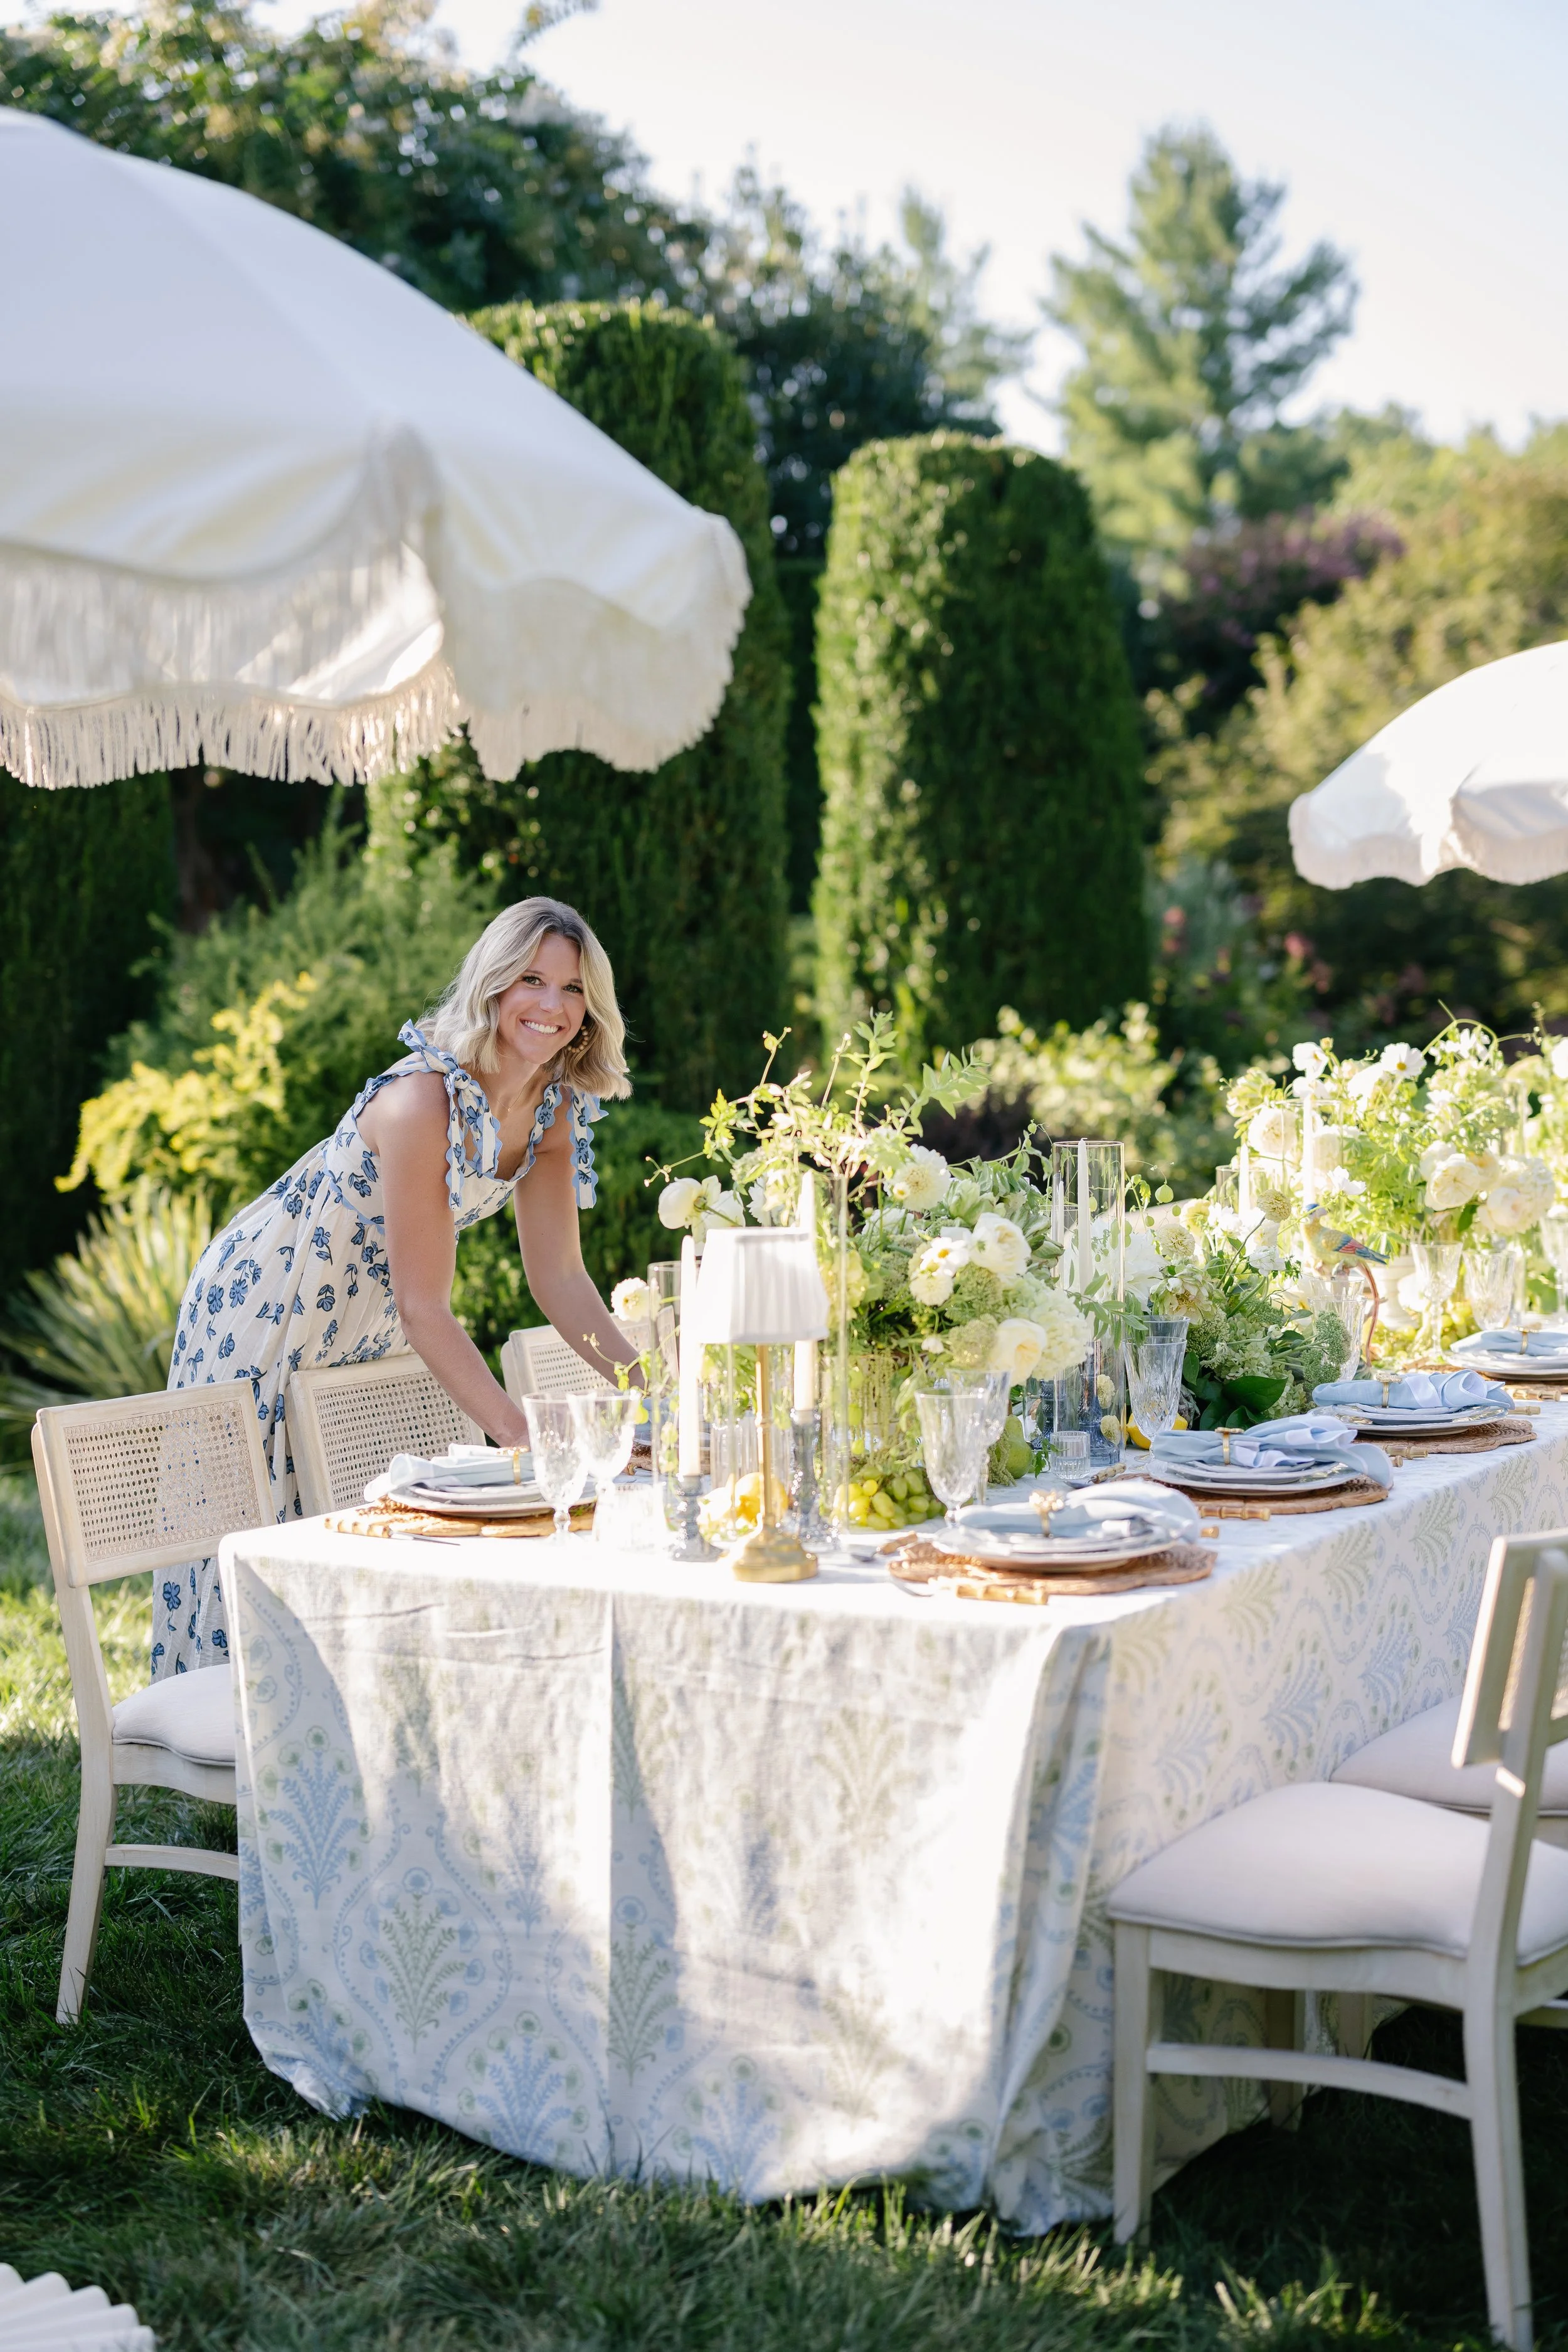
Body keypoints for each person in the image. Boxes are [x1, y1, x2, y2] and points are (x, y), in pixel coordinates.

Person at [154, 896, 637, 1678]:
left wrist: (650, 1390)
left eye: (573, 989)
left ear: (591, 1009)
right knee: (254, 1519)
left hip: (363, 1318)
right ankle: (236, 1734)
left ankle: (341, 1732)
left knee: (358, 1518)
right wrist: (524, 1439)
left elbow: (561, 1280)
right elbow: (425, 1308)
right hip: (269, 1301)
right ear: (494, 985)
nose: (551, 1005)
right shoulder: (423, 1100)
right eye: (532, 980)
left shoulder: (553, 1107)